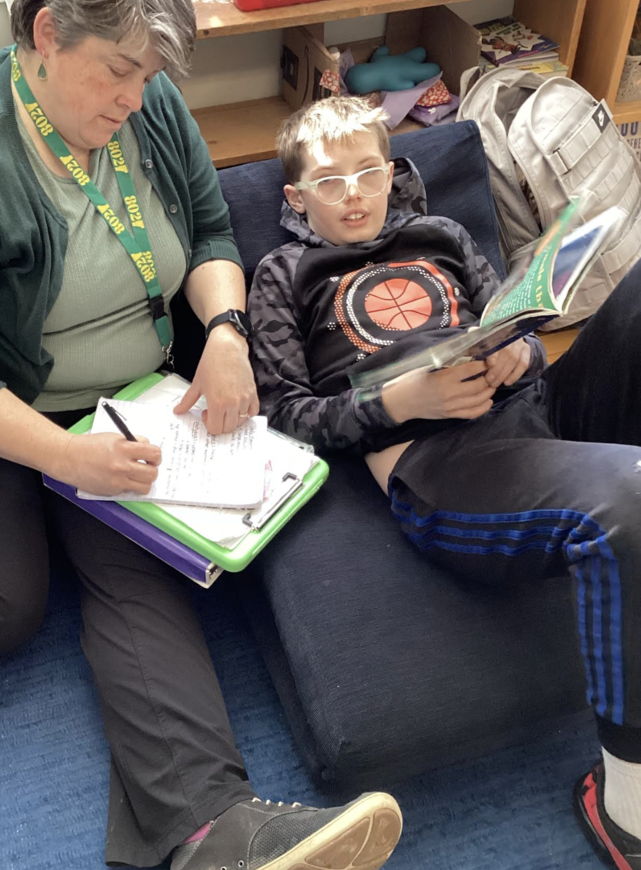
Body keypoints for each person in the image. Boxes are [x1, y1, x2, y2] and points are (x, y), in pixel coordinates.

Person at [0, 0, 403, 870]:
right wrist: (64, 458)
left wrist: (225, 332)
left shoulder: (144, 110)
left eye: (150, 74)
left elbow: (208, 232)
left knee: (142, 554)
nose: (134, 96)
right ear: (40, 33)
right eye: (115, 69)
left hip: (117, 384)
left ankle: (211, 831)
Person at [248, 94, 641, 870]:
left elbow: (513, 320)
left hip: (529, 415)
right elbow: (285, 414)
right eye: (331, 181)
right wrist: (397, 401)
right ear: (296, 197)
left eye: (369, 170)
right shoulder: (283, 273)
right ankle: (625, 799)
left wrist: (515, 357)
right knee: (626, 498)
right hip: (442, 469)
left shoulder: (442, 234)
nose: (356, 192)